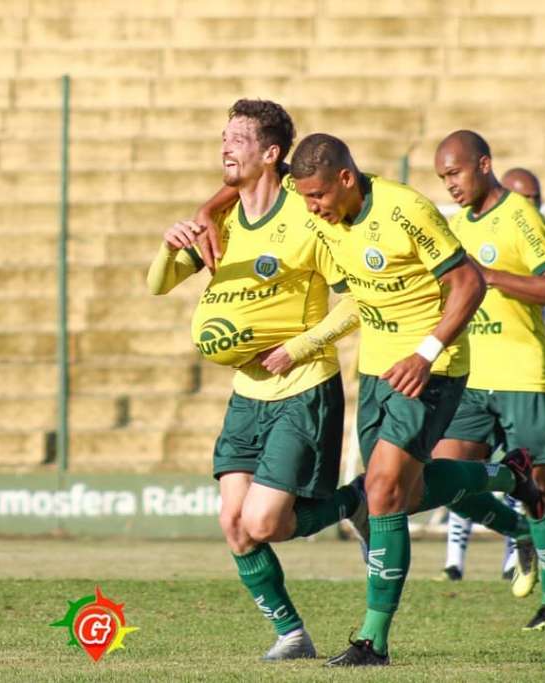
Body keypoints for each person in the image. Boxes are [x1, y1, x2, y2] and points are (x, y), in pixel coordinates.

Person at [282, 133, 543, 666]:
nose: (311, 207)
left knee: (381, 491)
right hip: (377, 371)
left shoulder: (406, 210)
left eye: (317, 197)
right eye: (305, 198)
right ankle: (509, 480)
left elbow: (469, 283)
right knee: (403, 491)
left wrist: (425, 353)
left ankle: (373, 640)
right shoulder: (321, 214)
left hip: (432, 367)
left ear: (346, 179)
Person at [149, 99, 367, 661]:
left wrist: (300, 346)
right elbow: (157, 284)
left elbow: (359, 299)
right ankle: (291, 634)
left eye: (238, 139)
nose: (225, 147)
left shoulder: (307, 213)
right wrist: (171, 242)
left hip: (302, 386)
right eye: (223, 137)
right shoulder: (218, 220)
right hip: (246, 394)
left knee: (264, 522)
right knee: (234, 523)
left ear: (271, 153)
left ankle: (354, 503)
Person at [434, 134, 545, 631]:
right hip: (472, 377)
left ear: (484, 164)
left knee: (539, 494)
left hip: (523, 376)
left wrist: (490, 276)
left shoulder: (520, 216)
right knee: (443, 479)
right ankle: (515, 529)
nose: (449, 185)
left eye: (455, 173)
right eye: (442, 178)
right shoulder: (453, 227)